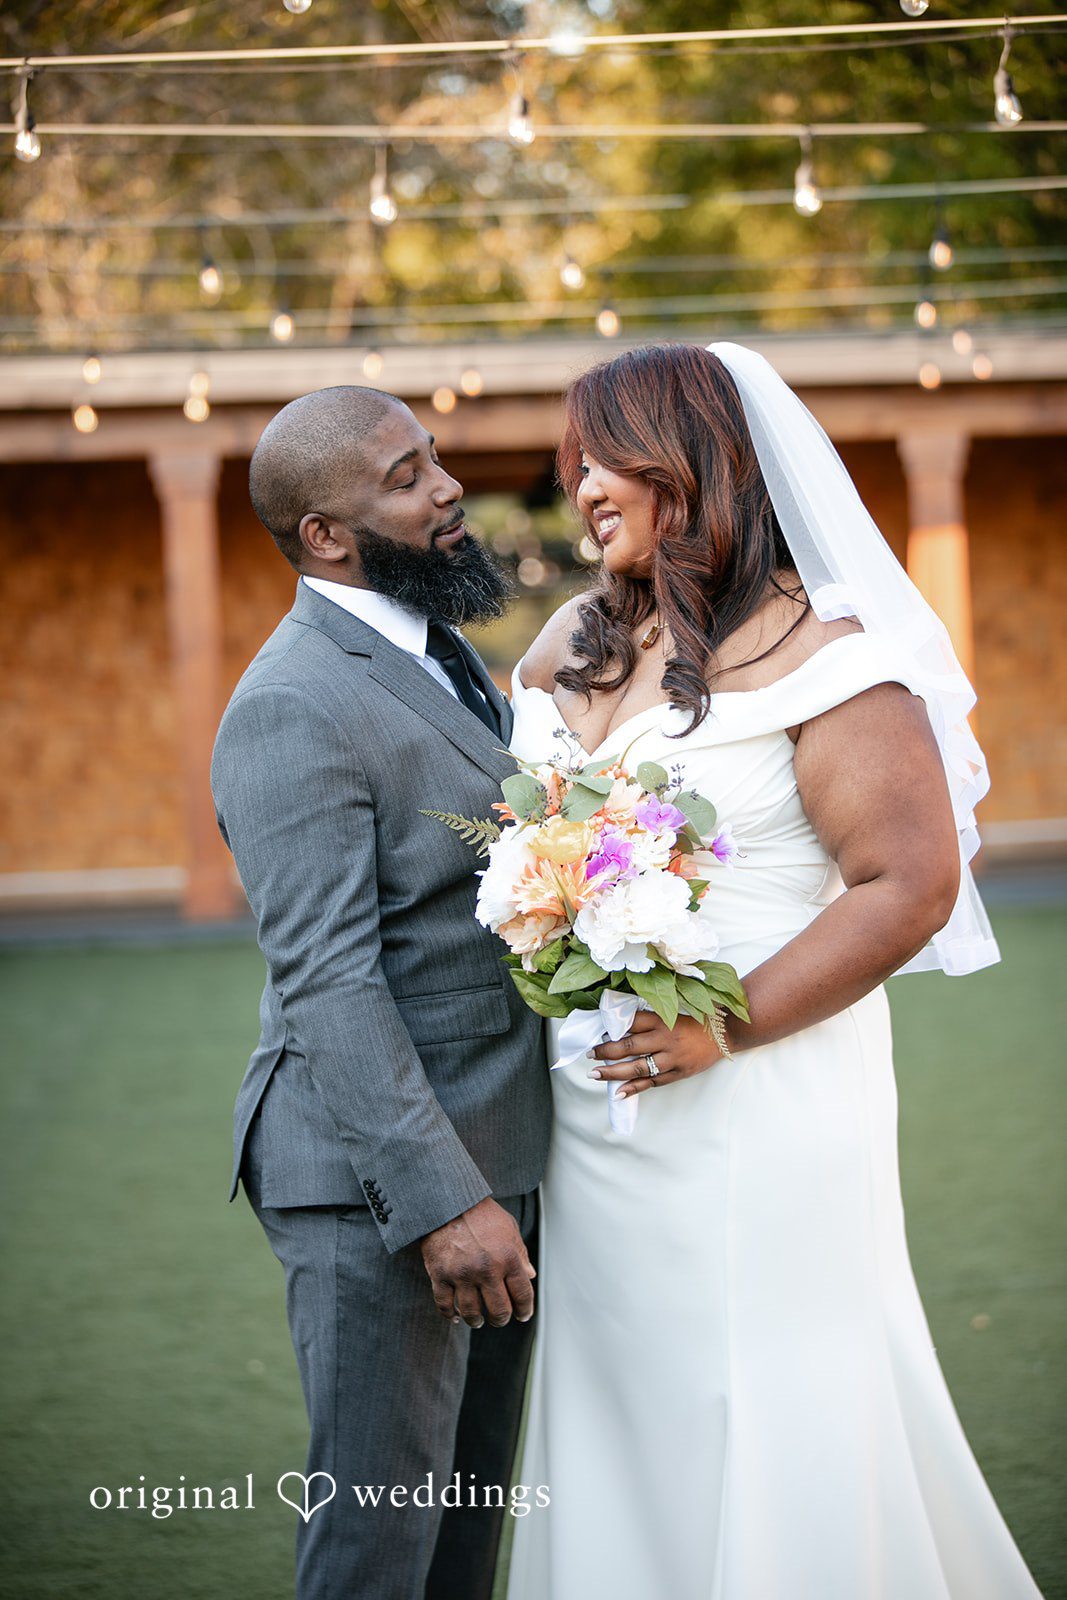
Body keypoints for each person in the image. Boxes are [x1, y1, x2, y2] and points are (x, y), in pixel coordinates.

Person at [504, 343, 1042, 1599]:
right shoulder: (577, 637)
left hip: (757, 1095)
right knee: (619, 1395)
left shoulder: (830, 655)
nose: (578, 482)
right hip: (595, 1112)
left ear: (692, 461)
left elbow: (908, 886)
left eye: (606, 454)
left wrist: (720, 1032)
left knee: (760, 1381)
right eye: (570, 459)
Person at [210, 385, 551, 1600]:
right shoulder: (291, 703)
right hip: (381, 1191)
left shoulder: (433, 640)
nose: (446, 486)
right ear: (325, 536)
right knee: (376, 1543)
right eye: (406, 475)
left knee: (461, 1537)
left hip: (492, 1154)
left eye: (433, 459)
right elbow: (328, 981)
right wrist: (443, 1206)